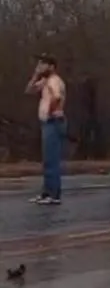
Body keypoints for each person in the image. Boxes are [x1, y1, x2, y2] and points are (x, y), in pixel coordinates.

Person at [25, 54, 67, 205]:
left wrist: (50, 113)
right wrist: (35, 75)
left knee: (52, 160)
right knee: (47, 160)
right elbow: (29, 90)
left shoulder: (54, 81)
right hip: (48, 123)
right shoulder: (45, 81)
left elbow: (56, 97)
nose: (40, 67)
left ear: (51, 66)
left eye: (42, 64)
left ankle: (54, 194)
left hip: (53, 122)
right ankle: (46, 192)